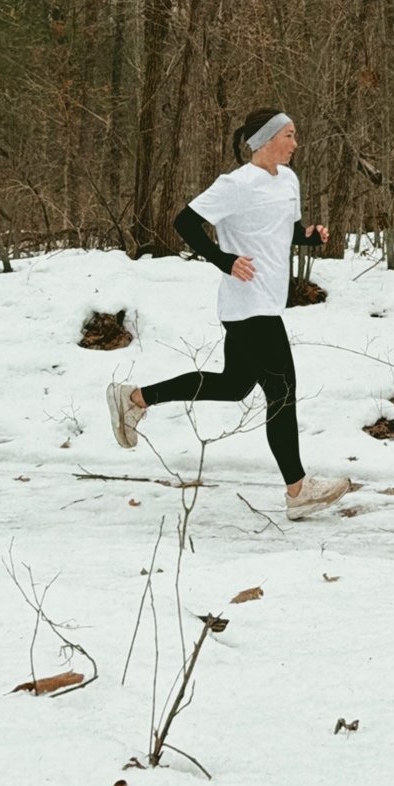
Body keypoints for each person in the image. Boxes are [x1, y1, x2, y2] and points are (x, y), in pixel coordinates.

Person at [107, 109, 352, 521]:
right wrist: (224, 259)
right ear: (266, 140)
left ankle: (135, 398)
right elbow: (185, 222)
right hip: (246, 305)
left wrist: (309, 236)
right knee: (282, 393)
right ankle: (297, 489)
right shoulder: (236, 184)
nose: (295, 144)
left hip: (266, 302)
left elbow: (286, 230)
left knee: (234, 385)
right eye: (289, 135)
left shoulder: (288, 180)